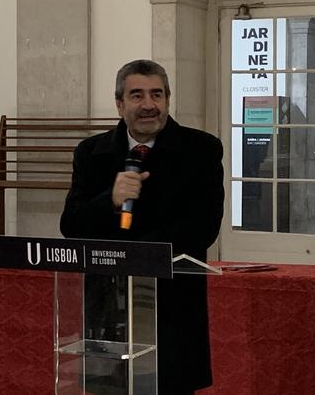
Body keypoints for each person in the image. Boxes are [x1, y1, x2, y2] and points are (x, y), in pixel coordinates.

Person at [60, 59, 224, 394]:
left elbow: (203, 227)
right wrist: (110, 199)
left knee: (170, 385)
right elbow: (71, 225)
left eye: (157, 95)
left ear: (167, 100)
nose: (149, 104)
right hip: (108, 304)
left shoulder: (201, 149)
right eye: (137, 95)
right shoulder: (91, 152)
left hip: (171, 302)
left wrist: (135, 256)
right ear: (120, 104)